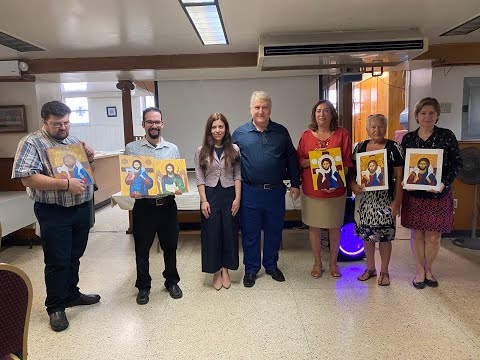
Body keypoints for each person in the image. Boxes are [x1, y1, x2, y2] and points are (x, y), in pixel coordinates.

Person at [11, 101, 100, 332]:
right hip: (54, 211)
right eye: (57, 124)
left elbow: (85, 172)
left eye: (67, 122)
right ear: (45, 122)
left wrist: (89, 159)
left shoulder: (72, 142)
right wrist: (64, 184)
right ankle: (55, 306)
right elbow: (26, 178)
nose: (63, 128)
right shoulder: (31, 142)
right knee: (57, 260)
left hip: (80, 207)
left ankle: (72, 294)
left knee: (74, 255)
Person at [232, 91, 300, 287]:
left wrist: (295, 183)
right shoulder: (239, 134)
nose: (261, 111)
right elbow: (229, 161)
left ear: (270, 109)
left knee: (274, 231)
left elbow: (292, 158)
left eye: (264, 107)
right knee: (250, 233)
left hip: (275, 192)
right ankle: (251, 269)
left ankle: (271, 265)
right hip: (250, 192)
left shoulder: (281, 132)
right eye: (257, 107)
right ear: (250, 109)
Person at [124, 107, 183, 304]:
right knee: (142, 248)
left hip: (167, 204)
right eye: (150, 122)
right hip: (144, 207)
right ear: (143, 124)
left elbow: (176, 177)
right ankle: (143, 286)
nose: (154, 125)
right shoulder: (132, 149)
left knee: (170, 246)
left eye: (157, 122)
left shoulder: (172, 149)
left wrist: (177, 185)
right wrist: (130, 186)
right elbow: (128, 178)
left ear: (162, 124)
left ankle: (171, 281)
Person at [401, 97, 462, 289]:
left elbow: (457, 163)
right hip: (415, 195)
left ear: (437, 116)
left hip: (438, 194)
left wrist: (444, 183)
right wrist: (404, 179)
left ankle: (429, 270)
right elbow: (402, 166)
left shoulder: (446, 136)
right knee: (417, 235)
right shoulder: (408, 138)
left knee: (434, 236)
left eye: (431, 113)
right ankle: (420, 271)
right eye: (423, 113)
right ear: (417, 116)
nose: (427, 117)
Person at [297, 99, 352, 278]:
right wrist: (315, 160)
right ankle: (317, 263)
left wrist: (332, 181)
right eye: (319, 111)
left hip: (335, 191)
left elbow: (346, 161)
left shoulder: (342, 134)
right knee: (314, 227)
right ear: (314, 114)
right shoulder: (306, 136)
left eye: (326, 111)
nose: (322, 114)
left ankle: (334, 264)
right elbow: (299, 161)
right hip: (312, 191)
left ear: (332, 114)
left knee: (334, 226)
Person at [350, 114, 404, 286]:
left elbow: (399, 175)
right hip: (364, 200)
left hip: (385, 200)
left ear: (385, 128)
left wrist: (397, 201)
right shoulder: (359, 147)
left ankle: (385, 271)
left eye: (380, 126)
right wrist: (352, 184)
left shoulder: (394, 147)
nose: (377, 130)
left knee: (384, 237)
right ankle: (371, 268)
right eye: (373, 127)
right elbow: (351, 171)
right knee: (367, 236)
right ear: (367, 129)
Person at [194, 113, 241, 290]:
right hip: (211, 194)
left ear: (225, 128)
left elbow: (238, 175)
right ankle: (215, 271)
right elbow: (199, 178)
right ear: (209, 130)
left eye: (220, 126)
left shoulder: (234, 149)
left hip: (229, 194)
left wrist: (237, 198)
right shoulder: (201, 150)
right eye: (214, 127)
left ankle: (226, 269)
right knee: (211, 233)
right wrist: (203, 200)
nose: (217, 130)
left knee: (229, 232)